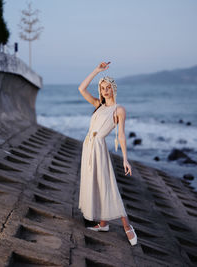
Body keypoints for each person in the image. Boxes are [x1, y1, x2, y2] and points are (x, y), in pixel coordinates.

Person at [78, 61, 137, 246]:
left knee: (107, 185)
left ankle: (127, 225)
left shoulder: (119, 110)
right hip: (88, 146)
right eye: (102, 87)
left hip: (99, 147)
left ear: (113, 89)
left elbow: (121, 135)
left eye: (107, 87)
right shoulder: (98, 105)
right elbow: (81, 88)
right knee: (94, 184)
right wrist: (97, 70)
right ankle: (103, 224)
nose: (104, 90)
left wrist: (125, 159)